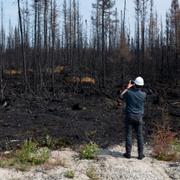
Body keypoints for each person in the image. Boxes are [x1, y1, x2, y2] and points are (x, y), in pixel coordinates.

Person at [120, 76, 146, 160]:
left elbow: (121, 96)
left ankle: (128, 154)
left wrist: (128, 87)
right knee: (139, 136)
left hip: (129, 116)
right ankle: (140, 154)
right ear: (142, 85)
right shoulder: (143, 94)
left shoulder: (129, 93)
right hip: (139, 117)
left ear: (134, 84)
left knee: (128, 135)